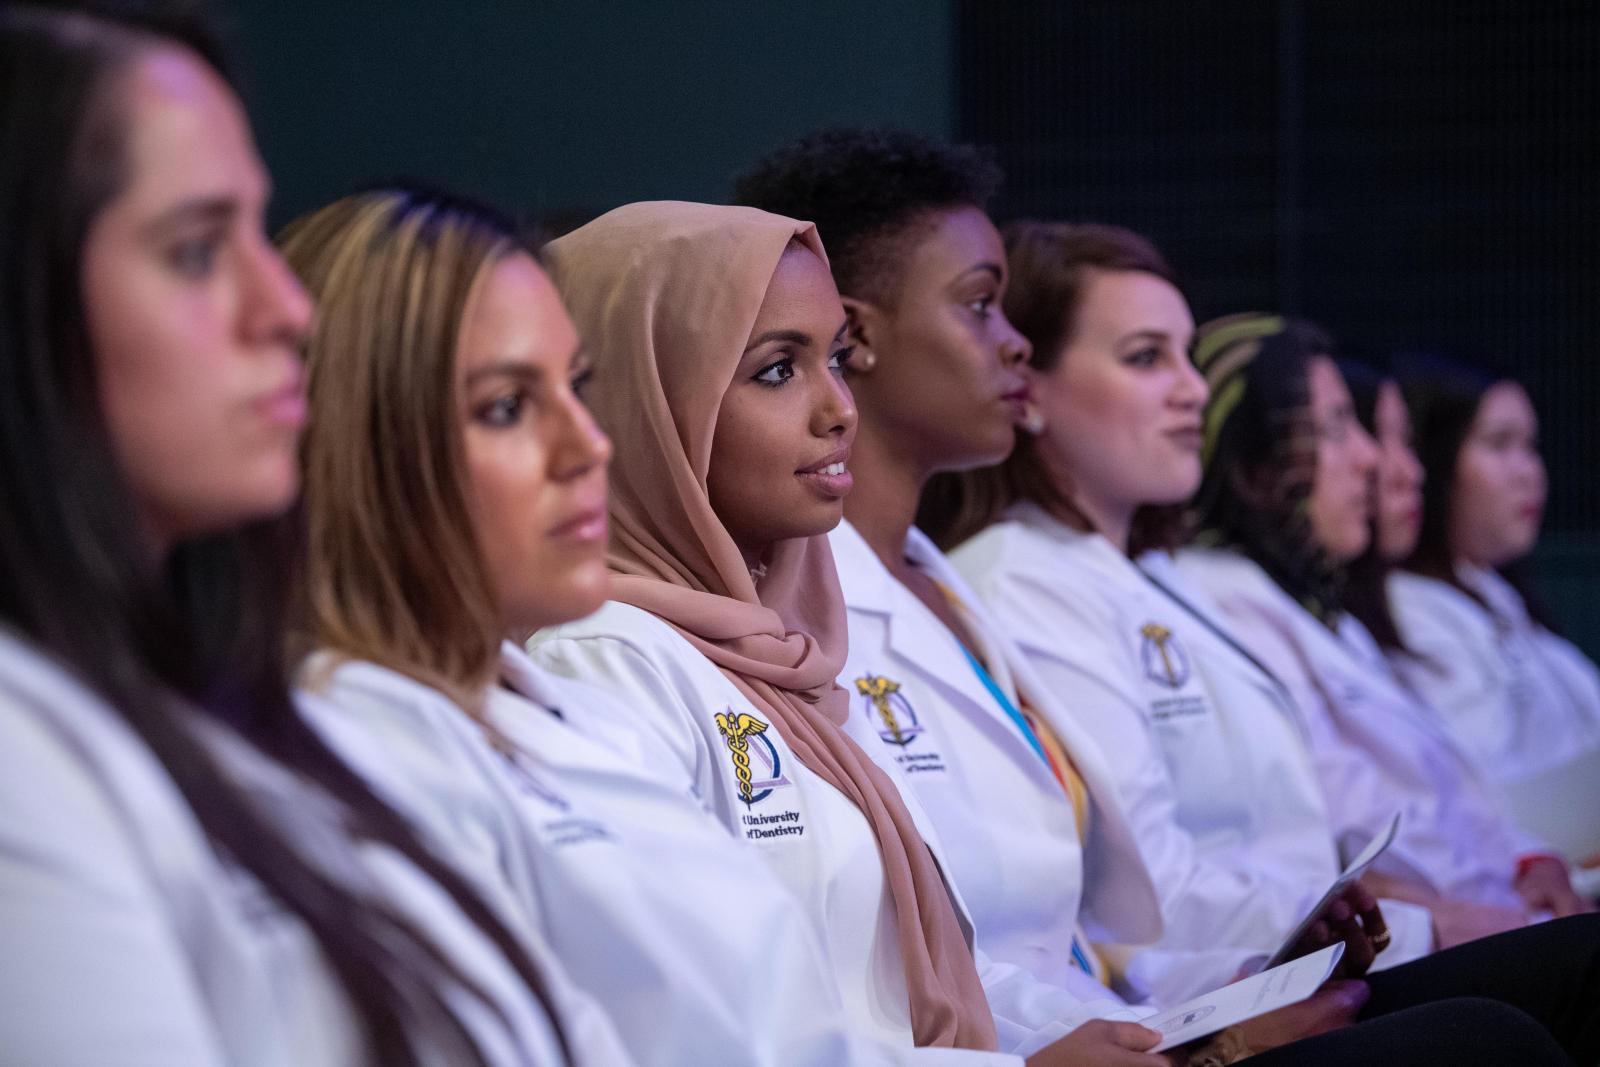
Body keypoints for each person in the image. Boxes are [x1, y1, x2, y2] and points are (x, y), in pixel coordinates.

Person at [0, 5, 606, 1064]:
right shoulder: (20, 751)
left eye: (254, 231)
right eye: (195, 250)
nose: (285, 308)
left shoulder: (235, 712)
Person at [524, 197, 1201, 1064]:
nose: (840, 407)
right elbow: (692, 1036)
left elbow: (914, 981)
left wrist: (1116, 1037)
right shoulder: (603, 664)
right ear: (648, 406)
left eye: (836, 359)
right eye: (778, 370)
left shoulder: (781, 655)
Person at [281, 184, 921, 1066]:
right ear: (366, 441)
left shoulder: (555, 712)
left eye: (575, 389)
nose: (589, 445)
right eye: (507, 406)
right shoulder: (353, 749)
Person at [855, 218, 1435, 1004]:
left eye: (1186, 357)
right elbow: (1130, 901)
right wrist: (1412, 921)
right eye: (1145, 357)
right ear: (1036, 391)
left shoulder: (1153, 574)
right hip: (1176, 986)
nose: (1193, 389)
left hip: (1231, 970)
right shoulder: (1015, 576)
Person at [1172, 314, 1588, 923]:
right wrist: (1468, 913)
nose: (1373, 460)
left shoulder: (1320, 613)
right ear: (1258, 462)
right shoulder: (1223, 605)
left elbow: (1448, 795)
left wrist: (1527, 860)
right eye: (1338, 428)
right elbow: (1349, 833)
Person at [1385, 359, 1600, 789]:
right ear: (1435, 461)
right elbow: (1493, 793)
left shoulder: (1494, 591)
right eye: (1499, 444)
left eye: (1530, 446)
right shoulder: (1408, 610)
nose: (1529, 473)